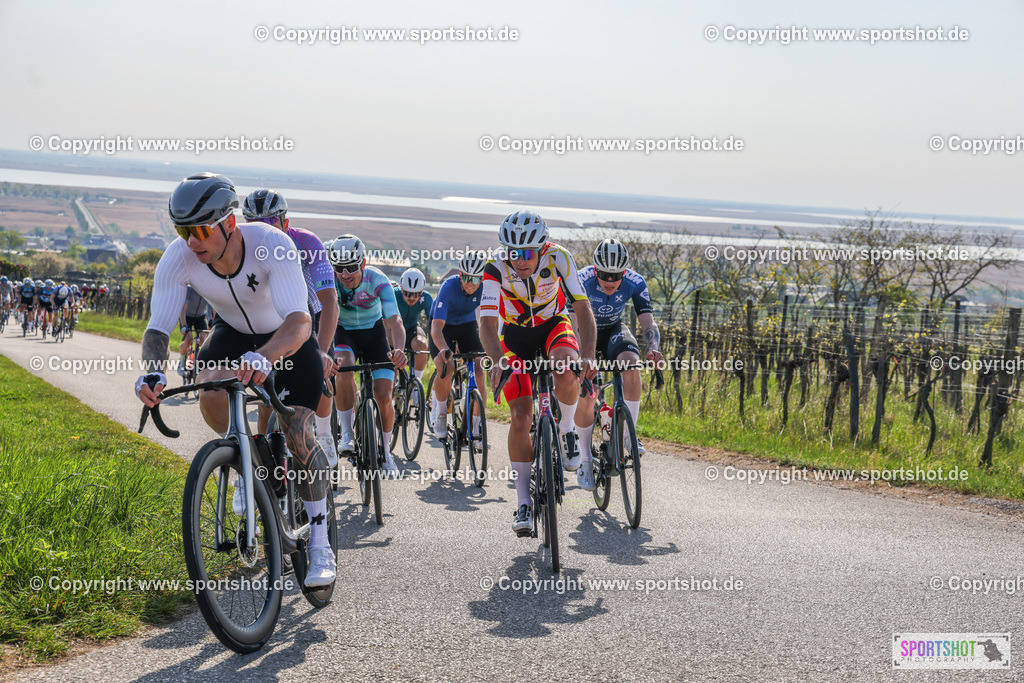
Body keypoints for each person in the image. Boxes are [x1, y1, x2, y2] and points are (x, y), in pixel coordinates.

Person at [134, 172, 335, 587]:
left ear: (229, 223)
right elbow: (158, 329)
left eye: (200, 230)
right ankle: (249, 462)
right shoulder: (180, 256)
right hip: (232, 333)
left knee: (298, 431)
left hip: (286, 335)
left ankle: (319, 544)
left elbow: (299, 322)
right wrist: (152, 372)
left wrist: (264, 358)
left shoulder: (271, 244)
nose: (192, 242)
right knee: (209, 392)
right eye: (182, 230)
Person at [480, 211, 597, 536]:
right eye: (513, 252)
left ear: (541, 247)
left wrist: (587, 355)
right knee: (520, 416)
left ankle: (567, 428)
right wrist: (498, 359)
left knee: (566, 364)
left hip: (553, 326)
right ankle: (523, 503)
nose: (520, 260)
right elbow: (488, 323)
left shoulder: (560, 257)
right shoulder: (494, 268)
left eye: (527, 253)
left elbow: (582, 308)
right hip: (515, 336)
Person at [242, 189, 341, 467]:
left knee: (321, 379)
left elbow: (330, 302)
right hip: (272, 322)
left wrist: (321, 352)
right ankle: (261, 463)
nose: (263, 228)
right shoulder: (244, 247)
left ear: (285, 221)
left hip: (312, 316)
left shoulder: (307, 242)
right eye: (254, 223)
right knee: (265, 394)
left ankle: (323, 434)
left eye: (271, 221)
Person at [574, 238, 664, 489]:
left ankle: (628, 436)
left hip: (613, 330)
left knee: (632, 367)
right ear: (594, 269)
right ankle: (584, 459)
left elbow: (648, 322)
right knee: (588, 393)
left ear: (625, 272)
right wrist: (583, 357)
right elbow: (572, 324)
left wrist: (654, 348)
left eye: (616, 275)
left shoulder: (635, 282)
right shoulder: (581, 280)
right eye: (604, 274)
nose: (610, 281)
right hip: (583, 332)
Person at [327, 235, 407, 477]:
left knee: (383, 395)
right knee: (345, 366)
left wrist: (400, 349)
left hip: (374, 334)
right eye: (339, 268)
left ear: (362, 264)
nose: (345, 274)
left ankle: (385, 451)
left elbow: (394, 320)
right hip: (343, 333)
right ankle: (347, 433)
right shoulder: (330, 281)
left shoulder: (377, 280)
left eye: (351, 267)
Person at [429, 251, 487, 440]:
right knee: (448, 366)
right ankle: (440, 412)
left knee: (479, 370)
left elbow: (489, 321)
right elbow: (436, 328)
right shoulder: (449, 286)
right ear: (460, 274)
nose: (470, 283)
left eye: (475, 278)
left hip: (466, 326)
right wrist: (445, 350)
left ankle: (477, 427)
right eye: (466, 277)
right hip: (442, 326)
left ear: (482, 278)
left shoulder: (486, 288)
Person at [393, 268, 433, 382]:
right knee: (393, 362)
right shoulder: (393, 294)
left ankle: (416, 385)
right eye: (407, 293)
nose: (412, 298)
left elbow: (433, 324)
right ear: (401, 289)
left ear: (422, 291)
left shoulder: (427, 298)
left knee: (421, 344)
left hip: (412, 327)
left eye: (416, 294)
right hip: (393, 330)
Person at [177, 285, 211, 377]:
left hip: (200, 317)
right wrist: (184, 325)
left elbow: (211, 309)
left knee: (203, 340)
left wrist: (211, 322)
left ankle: (197, 364)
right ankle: (181, 362)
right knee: (189, 339)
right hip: (187, 317)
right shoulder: (189, 290)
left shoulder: (209, 291)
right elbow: (183, 309)